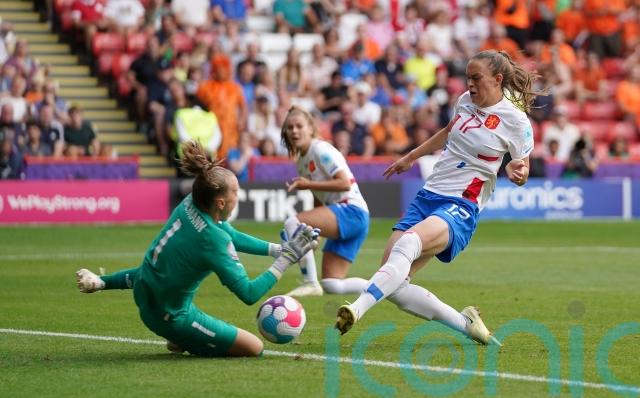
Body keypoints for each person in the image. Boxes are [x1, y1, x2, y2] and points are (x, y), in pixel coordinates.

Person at [335, 50, 540, 346]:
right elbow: (447, 130)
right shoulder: (465, 101)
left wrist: (516, 171)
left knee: (408, 244)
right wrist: (411, 156)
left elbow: (522, 167)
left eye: (476, 78)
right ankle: (465, 324)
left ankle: (356, 309)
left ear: (497, 79)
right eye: (467, 78)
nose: (469, 84)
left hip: (462, 204)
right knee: (393, 283)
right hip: (429, 195)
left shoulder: (516, 120)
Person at [75, 140, 320, 357]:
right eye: (236, 192)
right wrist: (288, 258)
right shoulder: (213, 239)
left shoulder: (190, 203)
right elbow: (249, 293)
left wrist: (279, 249)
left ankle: (104, 283)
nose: (239, 196)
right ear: (221, 202)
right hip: (170, 317)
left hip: (145, 293)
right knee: (254, 347)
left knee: (160, 271)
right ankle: (185, 338)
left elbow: (232, 235)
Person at [280, 106, 370, 297]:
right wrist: (315, 231)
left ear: (311, 129)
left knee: (292, 222)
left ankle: (310, 283)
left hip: (351, 211)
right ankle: (383, 287)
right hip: (349, 216)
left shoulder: (320, 149)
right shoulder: (301, 161)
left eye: (299, 126)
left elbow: (344, 183)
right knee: (332, 284)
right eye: (290, 127)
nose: (294, 131)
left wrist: (308, 184)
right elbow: (318, 197)